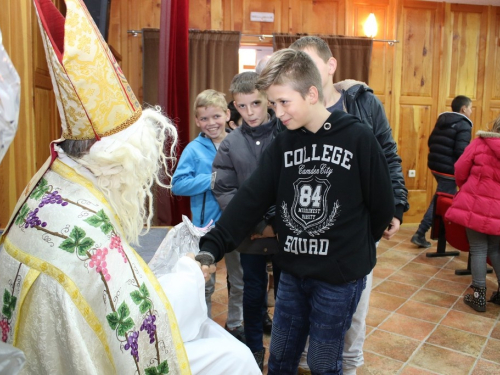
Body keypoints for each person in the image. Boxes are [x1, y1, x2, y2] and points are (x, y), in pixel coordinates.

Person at [0, 1, 260, 374]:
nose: (141, 182)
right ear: (114, 162)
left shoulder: (50, 186)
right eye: (139, 167)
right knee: (234, 358)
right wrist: (188, 275)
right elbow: (142, 327)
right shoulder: (87, 237)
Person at [197, 48, 395, 375]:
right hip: (291, 274)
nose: (278, 112)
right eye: (272, 104)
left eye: (283, 102)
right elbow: (250, 199)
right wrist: (212, 246)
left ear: (312, 93)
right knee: (281, 358)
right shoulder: (284, 142)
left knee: (322, 361)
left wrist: (350, 252)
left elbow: (381, 206)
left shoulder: (358, 137)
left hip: (339, 279)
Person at [289, 35, 408, 375]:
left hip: (357, 230)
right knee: (306, 304)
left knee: (354, 309)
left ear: (330, 65)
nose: (304, 73)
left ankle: (350, 365)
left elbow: (388, 155)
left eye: (310, 64)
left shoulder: (363, 104)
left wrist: (396, 205)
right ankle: (311, 361)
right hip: (308, 228)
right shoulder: (291, 108)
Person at [211, 71, 279, 369]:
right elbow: (225, 189)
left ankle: (283, 350)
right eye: (242, 106)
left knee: (288, 294)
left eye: (255, 104)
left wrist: (277, 226)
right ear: (234, 106)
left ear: (268, 99)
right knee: (252, 295)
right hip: (250, 237)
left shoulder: (288, 134)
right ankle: (254, 348)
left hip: (285, 235)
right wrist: (258, 226)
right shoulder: (230, 144)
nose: (250, 112)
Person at [171, 89, 245, 341]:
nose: (211, 123)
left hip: (236, 224)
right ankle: (204, 327)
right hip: (206, 227)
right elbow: (178, 185)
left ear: (226, 114)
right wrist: (211, 179)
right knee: (205, 282)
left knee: (239, 279)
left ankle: (236, 324)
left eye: (216, 116)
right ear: (196, 121)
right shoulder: (193, 149)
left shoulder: (240, 141)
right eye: (204, 119)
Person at [444, 116, 500, 312]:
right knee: (496, 250)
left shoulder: (481, 142)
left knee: (478, 248)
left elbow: (460, 168)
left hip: (475, 205)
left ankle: (478, 297)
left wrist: (467, 187)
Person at [412, 95, 473, 248]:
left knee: (441, 198)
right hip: (449, 170)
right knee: (442, 201)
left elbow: (430, 141)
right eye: (471, 108)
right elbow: (461, 151)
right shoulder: (464, 125)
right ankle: (421, 233)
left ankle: (436, 235)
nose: (471, 111)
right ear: (464, 108)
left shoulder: (443, 120)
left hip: (436, 166)